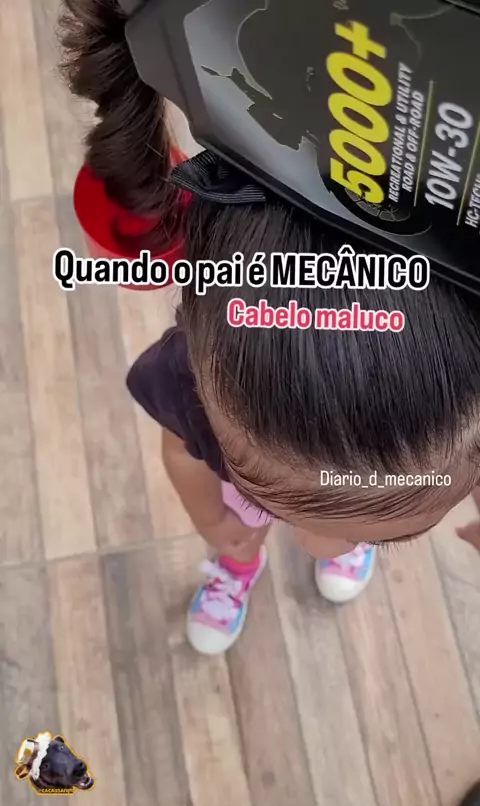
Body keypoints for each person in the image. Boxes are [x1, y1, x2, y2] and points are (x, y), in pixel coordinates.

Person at [60, 0, 480, 656]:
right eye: (364, 535)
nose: (322, 545)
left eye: (379, 536)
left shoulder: (447, 433)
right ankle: (238, 567)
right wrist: (214, 522)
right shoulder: (184, 382)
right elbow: (181, 454)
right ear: (198, 378)